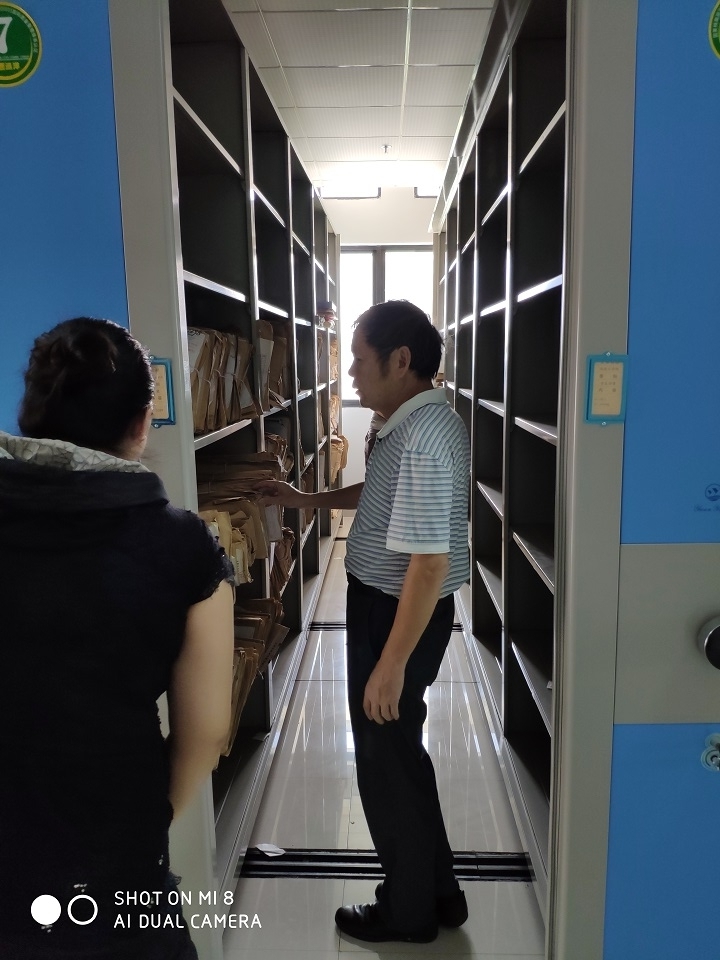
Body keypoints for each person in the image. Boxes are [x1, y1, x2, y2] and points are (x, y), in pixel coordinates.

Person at [0, 318, 235, 960]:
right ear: (141, 421)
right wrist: (149, 817)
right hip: (112, 853)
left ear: (31, 412)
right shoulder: (183, 544)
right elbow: (207, 729)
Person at [256, 299, 471, 943]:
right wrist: (306, 499)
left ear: (401, 361)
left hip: (397, 613)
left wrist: (391, 663)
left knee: (383, 763)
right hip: (389, 606)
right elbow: (377, 495)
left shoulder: (424, 438)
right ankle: (439, 892)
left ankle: (408, 913)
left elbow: (428, 565)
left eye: (357, 361)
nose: (349, 373)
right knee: (401, 753)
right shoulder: (404, 424)